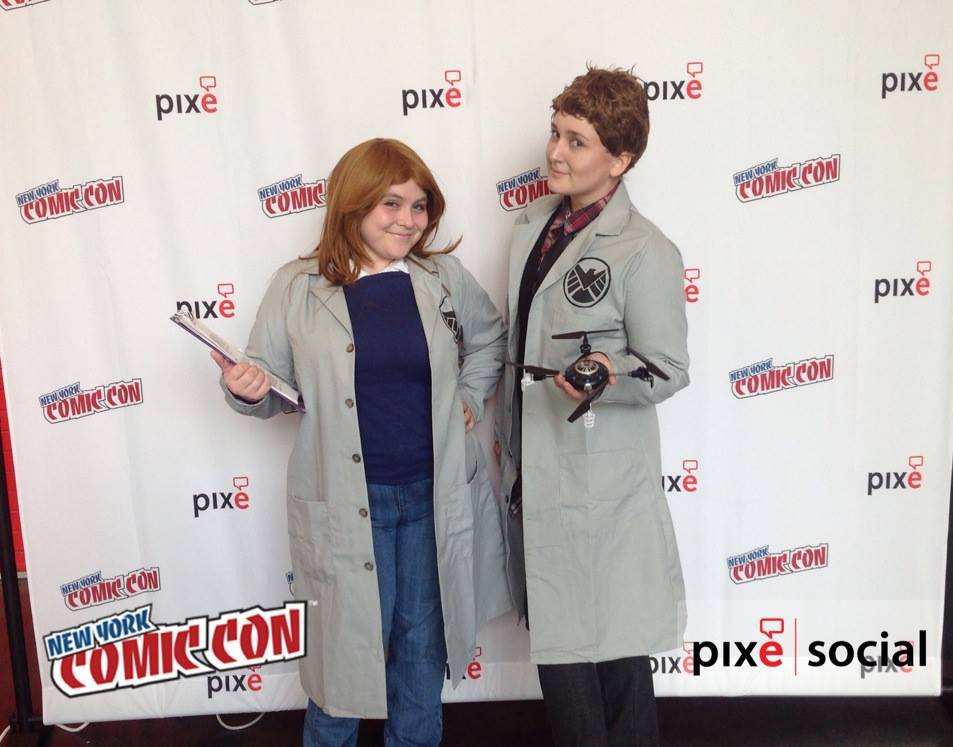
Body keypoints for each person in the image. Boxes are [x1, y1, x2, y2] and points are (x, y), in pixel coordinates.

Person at [213, 138, 510, 747]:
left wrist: (469, 395)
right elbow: (269, 386)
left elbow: (490, 340)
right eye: (391, 204)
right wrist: (246, 389)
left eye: (419, 206)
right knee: (341, 660)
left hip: (431, 498)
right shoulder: (297, 287)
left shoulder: (442, 278)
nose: (408, 220)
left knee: (421, 651)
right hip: (348, 504)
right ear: (353, 204)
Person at [496, 66, 690, 746]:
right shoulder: (531, 228)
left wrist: (610, 371)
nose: (555, 152)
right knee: (572, 657)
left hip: (601, 488)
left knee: (609, 658)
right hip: (538, 470)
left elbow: (667, 368)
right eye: (556, 133)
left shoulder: (645, 249)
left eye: (576, 142)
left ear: (620, 159)